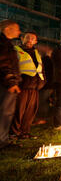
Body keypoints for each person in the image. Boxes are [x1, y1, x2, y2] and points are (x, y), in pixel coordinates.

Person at [11, 32, 46, 139]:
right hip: (22, 86)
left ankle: (25, 132)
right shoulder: (16, 51)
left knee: (30, 112)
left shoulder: (36, 53)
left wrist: (42, 82)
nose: (30, 40)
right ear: (22, 39)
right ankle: (14, 133)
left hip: (34, 87)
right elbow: (12, 67)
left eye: (33, 38)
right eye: (28, 38)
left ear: (36, 41)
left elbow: (41, 69)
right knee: (18, 111)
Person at [0, 20, 21, 149]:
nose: (19, 32)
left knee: (7, 112)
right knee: (5, 112)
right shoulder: (3, 44)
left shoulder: (7, 44)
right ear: (7, 29)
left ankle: (4, 139)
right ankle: (2, 141)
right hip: (5, 84)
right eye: (17, 29)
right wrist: (11, 82)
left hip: (7, 82)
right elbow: (3, 64)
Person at [35, 44, 54, 125]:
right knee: (44, 101)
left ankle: (41, 118)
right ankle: (43, 117)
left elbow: (46, 73)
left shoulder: (46, 60)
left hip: (46, 85)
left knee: (42, 102)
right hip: (49, 85)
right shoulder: (50, 60)